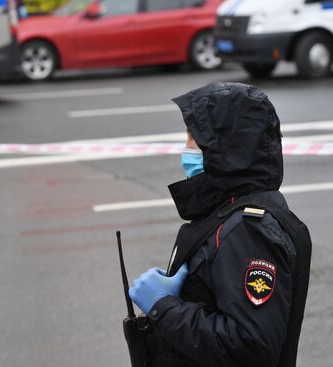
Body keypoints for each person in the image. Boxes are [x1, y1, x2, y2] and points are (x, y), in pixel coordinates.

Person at [128, 82, 312, 367]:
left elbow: (251, 345)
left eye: (193, 139)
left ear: (226, 149)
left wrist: (163, 307)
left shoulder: (248, 230)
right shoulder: (227, 213)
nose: (185, 150)